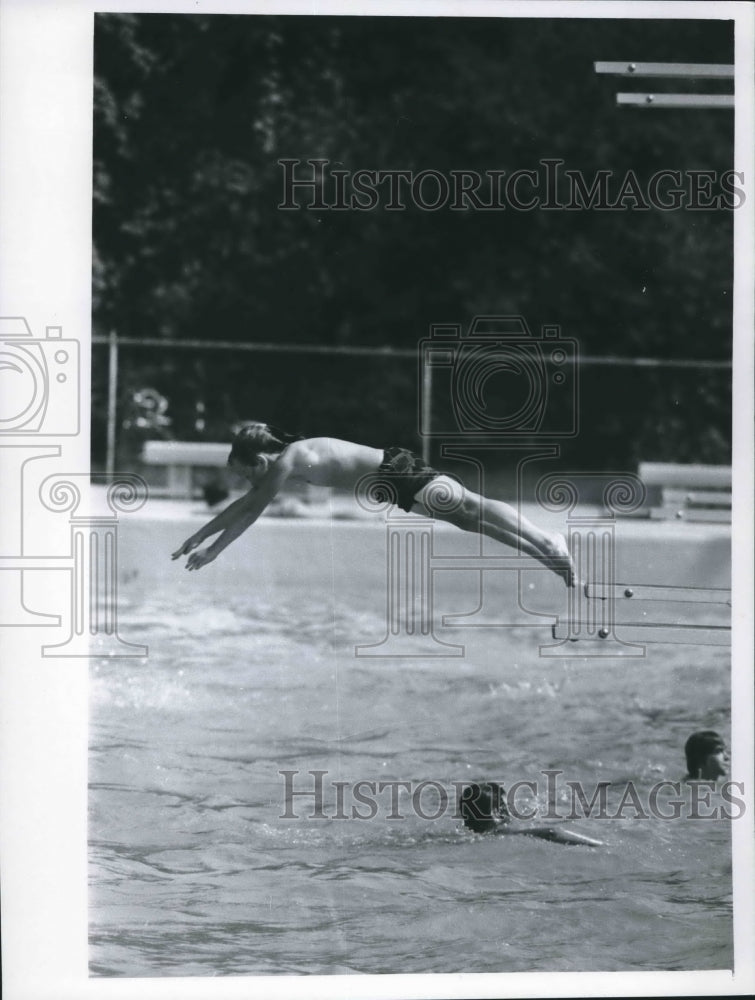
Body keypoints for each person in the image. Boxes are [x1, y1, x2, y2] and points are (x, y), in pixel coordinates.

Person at [172, 421, 577, 585]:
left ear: (259, 461)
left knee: (475, 505)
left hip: (395, 470)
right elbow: (244, 505)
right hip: (390, 486)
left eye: (247, 473)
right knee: (468, 522)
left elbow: (251, 509)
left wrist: (213, 550)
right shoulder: (284, 466)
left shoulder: (288, 459)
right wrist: (200, 536)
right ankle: (545, 555)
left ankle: (548, 540)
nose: (248, 482)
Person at [459, 782, 603, 847]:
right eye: (507, 806)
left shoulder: (466, 838)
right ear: (497, 812)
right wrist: (599, 845)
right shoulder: (503, 831)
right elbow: (552, 832)